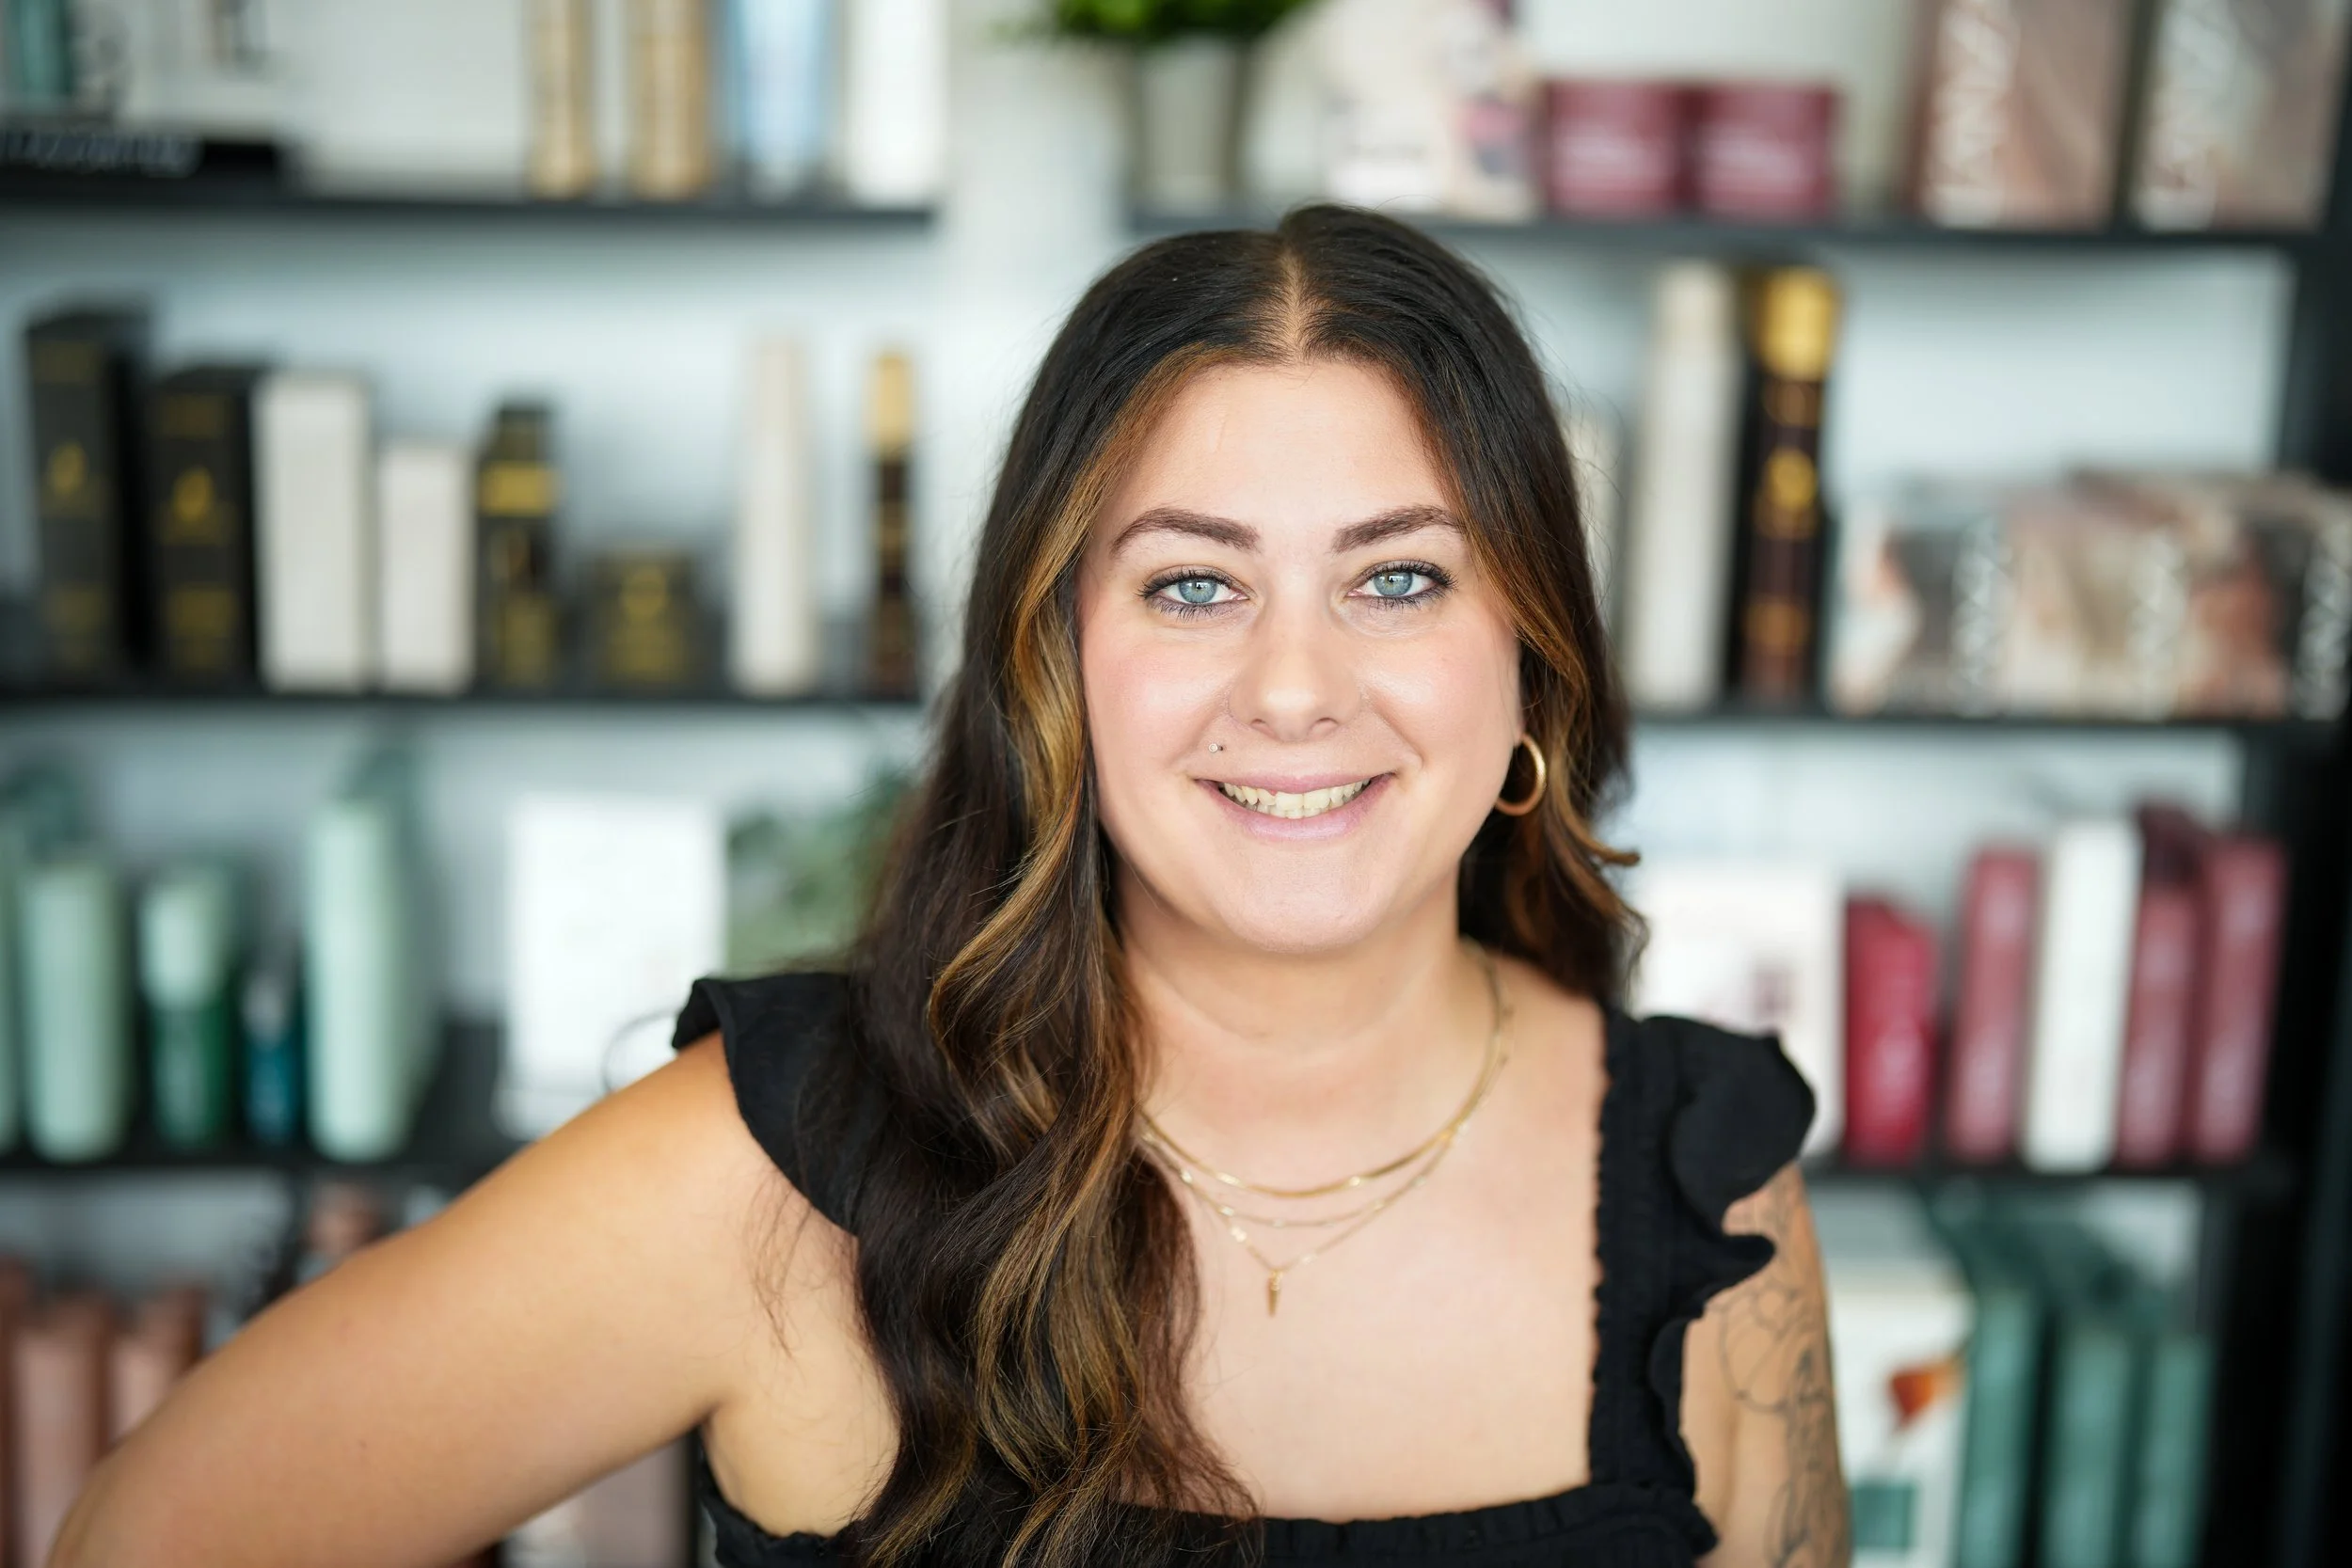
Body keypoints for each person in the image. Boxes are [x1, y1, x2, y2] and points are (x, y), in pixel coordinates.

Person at [56, 206, 1845, 1568]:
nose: (1297, 687)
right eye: (1193, 587)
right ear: (1052, 662)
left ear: (1528, 660)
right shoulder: (781, 1168)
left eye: (1398, 581)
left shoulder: (1710, 1179)